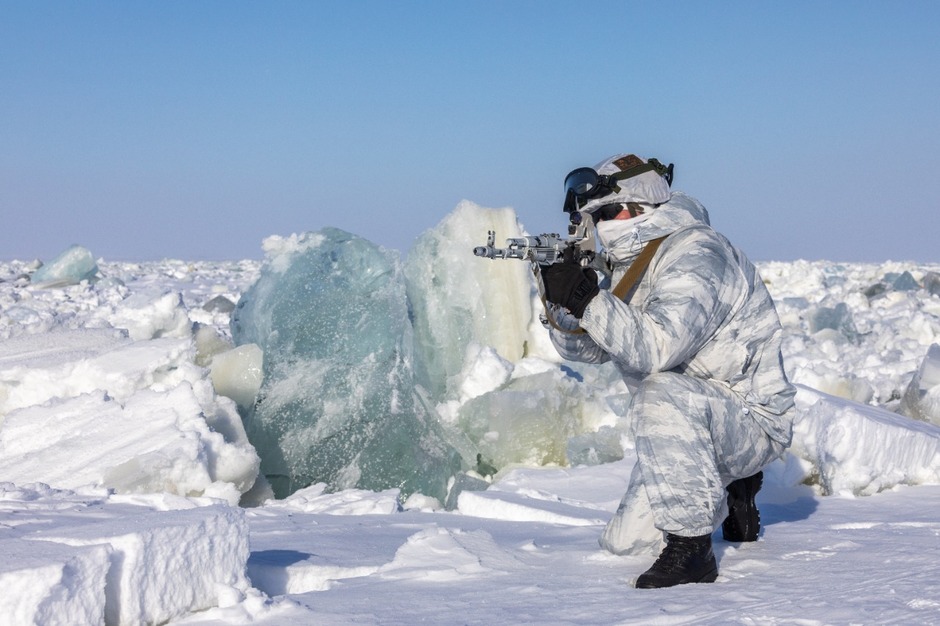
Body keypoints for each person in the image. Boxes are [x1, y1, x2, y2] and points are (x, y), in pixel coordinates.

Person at [540, 153, 796, 589]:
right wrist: (561, 305)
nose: (601, 227)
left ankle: (692, 549)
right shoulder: (627, 264)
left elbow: (658, 346)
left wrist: (588, 299)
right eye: (593, 218)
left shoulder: (698, 252)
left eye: (607, 212)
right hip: (685, 427)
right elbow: (590, 348)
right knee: (623, 544)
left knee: (659, 390)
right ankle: (731, 488)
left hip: (749, 420)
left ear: (642, 207)